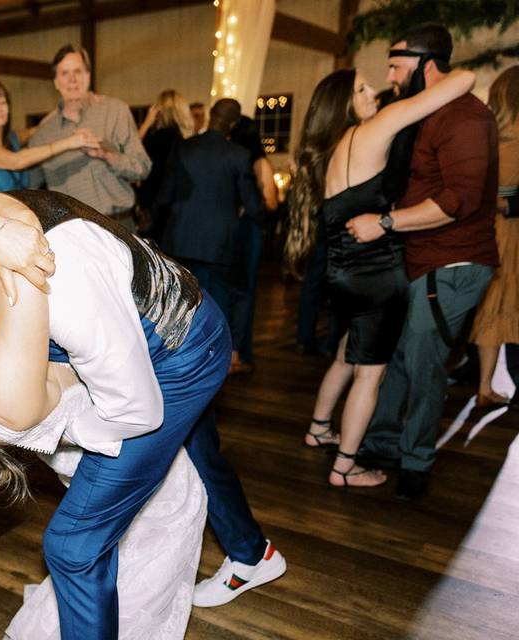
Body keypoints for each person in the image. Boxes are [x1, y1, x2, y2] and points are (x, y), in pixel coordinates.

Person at [0, 178, 284, 634]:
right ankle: (251, 551)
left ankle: (248, 549)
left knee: (75, 545)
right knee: (195, 454)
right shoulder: (3, 281)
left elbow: (137, 412)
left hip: (179, 351)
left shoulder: (59, 282)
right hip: (122, 368)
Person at [286, 64, 475, 488]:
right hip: (376, 278)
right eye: (362, 88)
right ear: (344, 104)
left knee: (344, 355)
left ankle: (319, 428)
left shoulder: (330, 150)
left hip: (341, 276)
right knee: (371, 374)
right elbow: (464, 80)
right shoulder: (376, 128)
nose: (375, 92)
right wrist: (413, 79)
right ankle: (345, 467)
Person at [350, 25, 499, 500]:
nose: (391, 77)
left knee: (424, 362)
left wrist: (386, 223)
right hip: (420, 259)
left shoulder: (464, 117)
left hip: (453, 263)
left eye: (396, 66)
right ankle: (384, 443)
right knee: (402, 357)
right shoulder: (428, 110)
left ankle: (416, 463)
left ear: (425, 63)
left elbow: (459, 199)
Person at [157, 98, 263, 373]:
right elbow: (253, 205)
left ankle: (179, 351)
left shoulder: (183, 147)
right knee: (238, 294)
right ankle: (234, 356)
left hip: (180, 239)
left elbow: (165, 195)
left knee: (183, 295)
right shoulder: (238, 154)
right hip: (221, 242)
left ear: (211, 115)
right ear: (234, 123)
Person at [28, 44, 151, 229]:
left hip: (120, 225)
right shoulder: (43, 134)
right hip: (74, 232)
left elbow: (142, 167)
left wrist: (107, 155)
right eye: (64, 73)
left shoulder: (116, 111)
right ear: (55, 82)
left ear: (88, 76)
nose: (72, 79)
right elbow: (29, 187)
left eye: (78, 71)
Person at [469, 65, 519, 408]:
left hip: (484, 229)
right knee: (508, 300)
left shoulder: (483, 136)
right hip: (511, 231)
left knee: (491, 303)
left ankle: (485, 385)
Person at [0, 78, 99, 192]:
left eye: (2, 102)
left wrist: (69, 102)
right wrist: (71, 142)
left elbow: (40, 127)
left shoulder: (12, 138)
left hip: (18, 216)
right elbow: (15, 161)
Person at [229, 115, 279, 373]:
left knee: (229, 290)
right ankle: (238, 352)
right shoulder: (259, 162)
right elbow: (271, 201)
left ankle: (229, 350)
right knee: (245, 291)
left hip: (227, 230)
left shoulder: (228, 157)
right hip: (248, 230)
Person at [136, 89, 193, 241]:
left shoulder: (159, 137)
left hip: (155, 201)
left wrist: (147, 123)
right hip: (175, 202)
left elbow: (132, 151)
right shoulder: (182, 139)